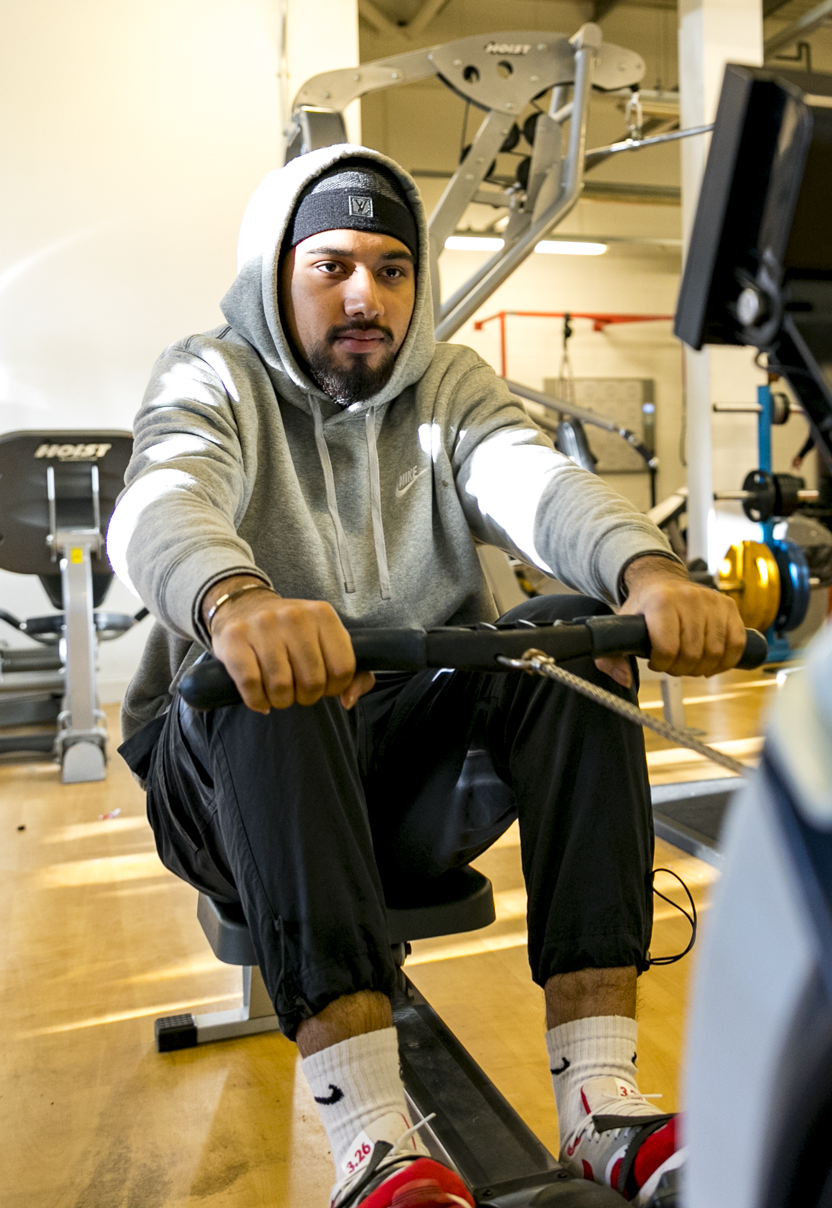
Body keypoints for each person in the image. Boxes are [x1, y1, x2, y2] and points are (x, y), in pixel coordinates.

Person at [107, 145, 746, 1208]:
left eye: (394, 269)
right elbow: (161, 497)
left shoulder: (449, 386)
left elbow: (535, 484)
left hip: (397, 775)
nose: (368, 294)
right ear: (276, 273)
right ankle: (373, 1147)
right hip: (223, 780)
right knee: (284, 688)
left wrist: (649, 572)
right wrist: (237, 602)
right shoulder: (209, 374)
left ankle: (601, 1101)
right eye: (335, 265)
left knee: (563, 638)